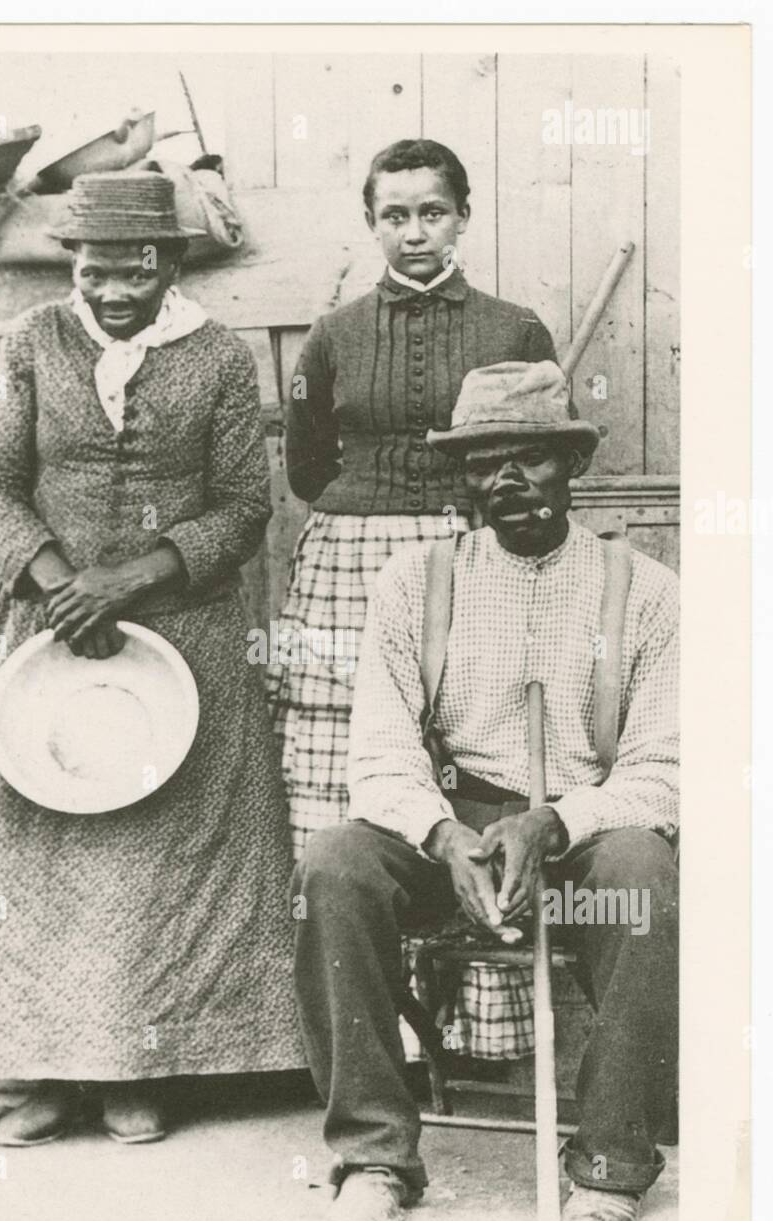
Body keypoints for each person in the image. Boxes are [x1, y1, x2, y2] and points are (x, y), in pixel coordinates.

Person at [0, 172, 304, 1146]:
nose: (112, 290)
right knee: (37, 844)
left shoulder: (214, 356)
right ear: (73, 267)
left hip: (177, 630)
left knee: (151, 857)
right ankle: (43, 1075)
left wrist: (123, 583)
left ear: (170, 262)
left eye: (134, 269)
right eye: (93, 270)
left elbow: (242, 508)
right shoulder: (33, 344)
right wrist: (58, 582)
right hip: (44, 629)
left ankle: (140, 1069)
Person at [292, 360, 679, 1221]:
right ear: (460, 477)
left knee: (646, 872)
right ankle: (375, 1157)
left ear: (570, 464)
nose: (505, 481)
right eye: (481, 462)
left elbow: (666, 768)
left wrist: (553, 823)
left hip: (581, 848)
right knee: (334, 864)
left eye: (529, 458)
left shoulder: (648, 593)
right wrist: (440, 835)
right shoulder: (412, 584)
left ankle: (611, 1164)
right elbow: (382, 756)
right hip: (456, 845)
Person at [268, 138, 559, 1063]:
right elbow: (309, 465)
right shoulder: (335, 333)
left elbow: (538, 452)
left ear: (463, 217)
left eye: (432, 211)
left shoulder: (514, 329)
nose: (414, 231)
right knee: (342, 775)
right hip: (350, 561)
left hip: (477, 554)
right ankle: (371, 1023)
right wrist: (375, 516)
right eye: (394, 215)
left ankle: (486, 1020)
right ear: (372, 225)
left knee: (474, 759)